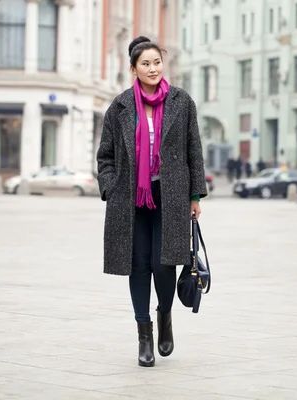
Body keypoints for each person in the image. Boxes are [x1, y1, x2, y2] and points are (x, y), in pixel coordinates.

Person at [96, 36, 207, 368]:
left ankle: (165, 318)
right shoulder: (119, 107)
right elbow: (105, 157)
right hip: (129, 199)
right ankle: (144, 335)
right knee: (138, 264)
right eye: (145, 63)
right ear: (133, 69)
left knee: (164, 263)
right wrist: (111, 187)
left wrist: (195, 195)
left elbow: (193, 151)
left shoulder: (181, 102)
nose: (153, 68)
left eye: (157, 62)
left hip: (170, 196)